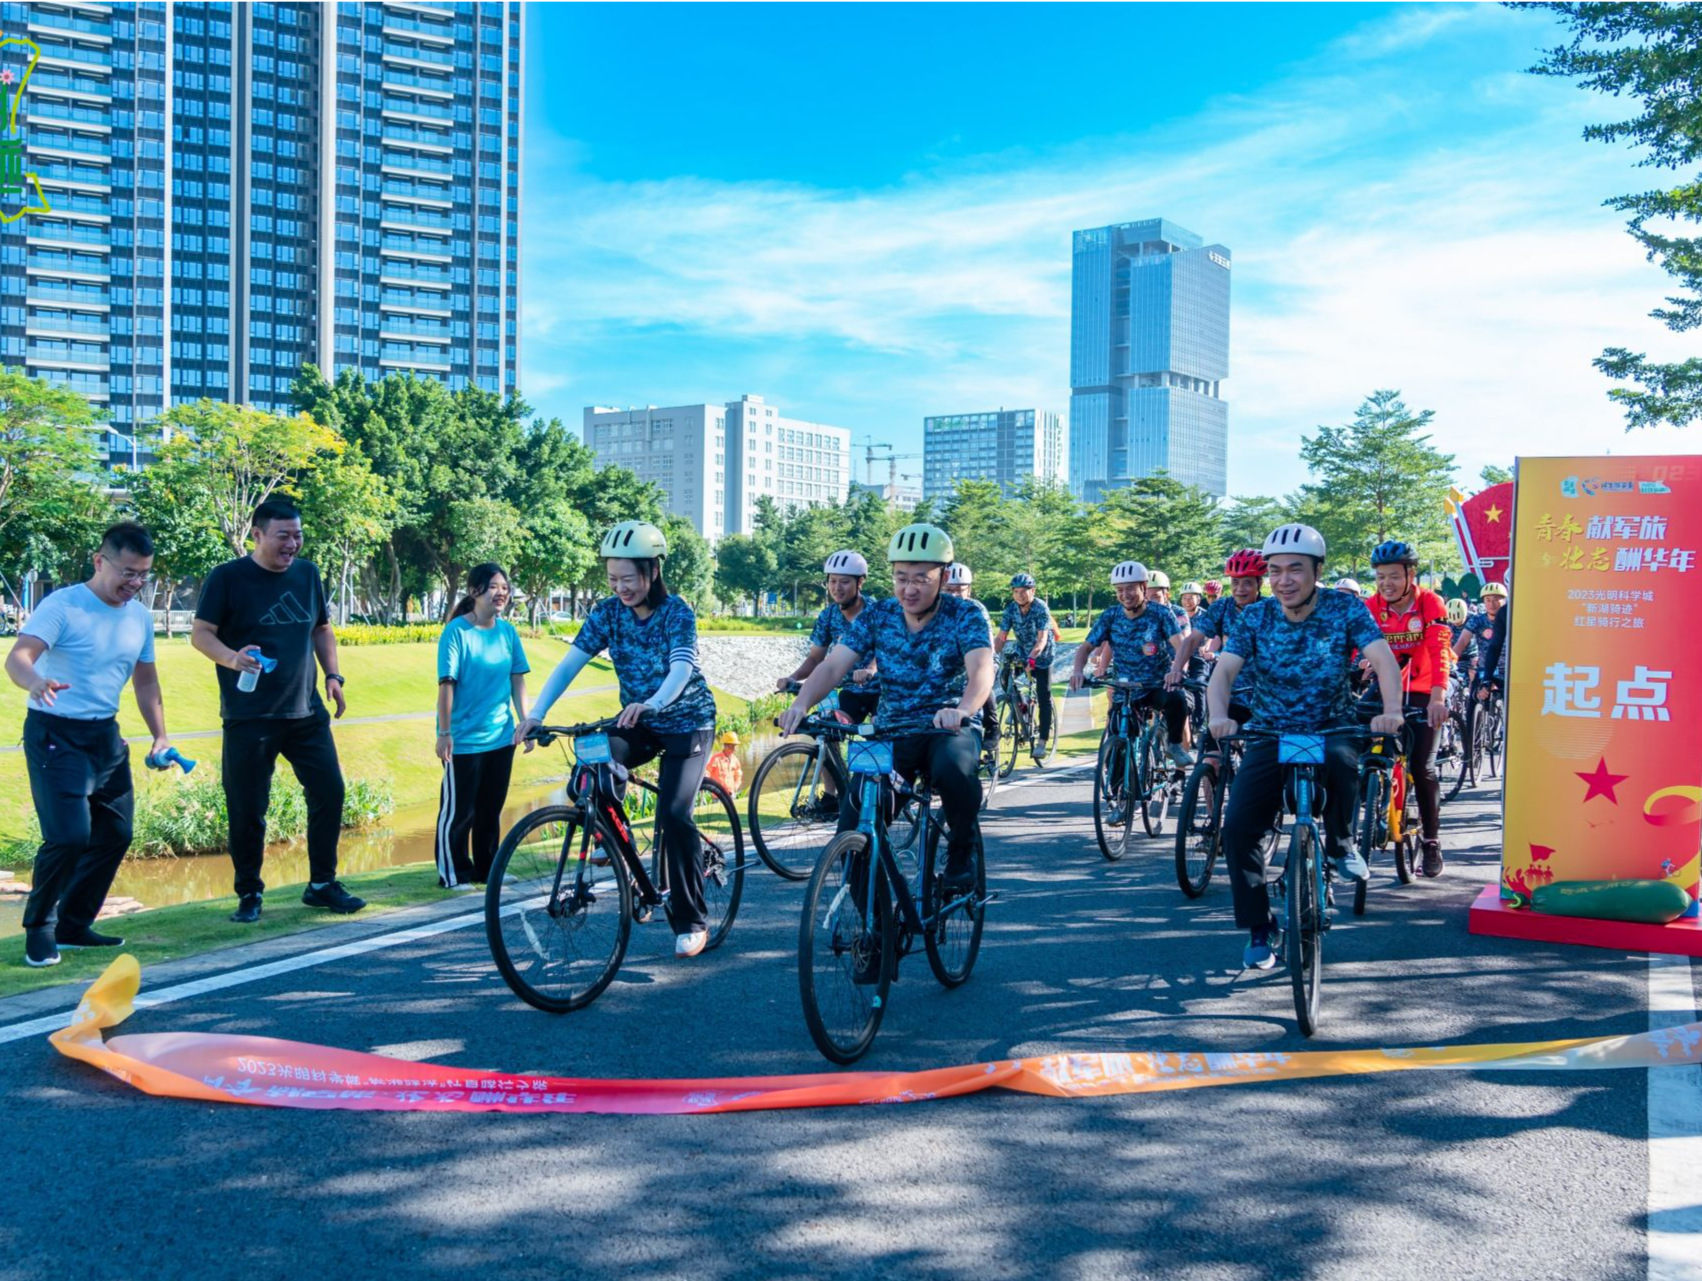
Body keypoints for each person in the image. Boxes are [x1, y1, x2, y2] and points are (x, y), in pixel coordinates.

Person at [516, 521, 720, 958]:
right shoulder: (608, 613)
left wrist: (653, 703)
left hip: (687, 720)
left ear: (653, 572)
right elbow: (570, 664)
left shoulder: (677, 612)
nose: (620, 587)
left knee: (673, 811)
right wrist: (536, 714)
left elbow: (681, 669)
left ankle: (692, 921)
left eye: (628, 578)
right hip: (638, 719)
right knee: (589, 767)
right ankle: (619, 849)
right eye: (612, 579)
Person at [1206, 524, 1404, 970]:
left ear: (1318, 571)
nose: (1283, 580)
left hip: (1330, 726)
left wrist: (1389, 709)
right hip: (1271, 732)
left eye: (1295, 569)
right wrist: (1219, 716)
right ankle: (1261, 926)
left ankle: (1339, 842)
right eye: (1275, 571)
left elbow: (1383, 660)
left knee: (1342, 760)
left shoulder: (1345, 608)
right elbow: (1223, 674)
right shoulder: (1254, 617)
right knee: (1238, 826)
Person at [778, 522, 991, 894]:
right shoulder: (878, 616)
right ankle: (877, 933)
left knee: (954, 769)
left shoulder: (966, 614)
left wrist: (963, 709)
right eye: (900, 578)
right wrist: (800, 703)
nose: (909, 589)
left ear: (942, 577)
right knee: (854, 826)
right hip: (891, 733)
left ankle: (961, 851)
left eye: (921, 579)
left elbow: (981, 670)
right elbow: (832, 665)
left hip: (946, 726)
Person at [6, 523, 175, 968]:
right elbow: (18, 656)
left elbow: (146, 680)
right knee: (68, 836)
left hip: (105, 736)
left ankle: (74, 925)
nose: (135, 584)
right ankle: (40, 929)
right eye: (127, 572)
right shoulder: (63, 605)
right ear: (100, 561)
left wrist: (160, 735)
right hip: (55, 734)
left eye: (143, 575)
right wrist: (37, 681)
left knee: (116, 832)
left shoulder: (138, 617)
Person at [192, 499, 364, 923]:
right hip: (250, 716)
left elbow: (321, 626)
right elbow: (201, 634)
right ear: (258, 535)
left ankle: (322, 884)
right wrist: (232, 659)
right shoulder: (227, 578)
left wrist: (333, 676)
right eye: (283, 535)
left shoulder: (307, 574)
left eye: (298, 535)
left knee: (329, 791)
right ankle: (249, 893)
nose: (293, 544)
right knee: (248, 808)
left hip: (305, 712)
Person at [434, 563, 529, 890]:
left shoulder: (508, 632)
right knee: (460, 812)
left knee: (490, 810)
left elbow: (517, 680)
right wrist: (444, 733)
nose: (501, 592)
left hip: (501, 738)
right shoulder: (456, 632)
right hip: (463, 740)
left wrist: (525, 721)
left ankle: (488, 870)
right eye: (493, 586)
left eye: (504, 586)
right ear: (474, 591)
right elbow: (446, 685)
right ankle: (454, 873)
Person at [1363, 541, 1451, 877]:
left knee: (1422, 767)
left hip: (1426, 688)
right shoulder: (1372, 605)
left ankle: (1430, 841)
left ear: (1410, 575)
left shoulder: (1429, 601)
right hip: (1389, 684)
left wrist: (1438, 698)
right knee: (1350, 735)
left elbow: (1440, 649)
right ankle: (1370, 789)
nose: (1386, 583)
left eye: (1394, 576)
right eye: (1381, 576)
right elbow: (1358, 643)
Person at [1069, 561, 1190, 768]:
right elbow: (1085, 648)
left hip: (1155, 685)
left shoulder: (1161, 614)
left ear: (1143, 587)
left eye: (1131, 588)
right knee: (1116, 752)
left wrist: (1177, 671)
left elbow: (1180, 646)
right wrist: (1078, 671)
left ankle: (1175, 745)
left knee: (1177, 699)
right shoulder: (1111, 616)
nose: (1125, 594)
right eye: (1119, 590)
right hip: (1124, 689)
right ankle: (1119, 792)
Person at [1174, 549, 1265, 766]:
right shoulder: (1221, 607)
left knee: (1258, 760)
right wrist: (1177, 668)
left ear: (1259, 583)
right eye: (1235, 582)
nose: (1240, 589)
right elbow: (1192, 640)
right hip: (1229, 693)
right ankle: (1213, 790)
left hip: (1264, 697)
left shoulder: (1270, 608)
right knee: (1210, 760)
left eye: (1247, 583)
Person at [994, 573, 1055, 762]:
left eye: (1024, 591)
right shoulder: (1011, 610)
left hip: (1042, 655)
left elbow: (1042, 638)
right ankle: (1020, 705)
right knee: (1004, 676)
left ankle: (1042, 742)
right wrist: (992, 656)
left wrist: (1032, 658)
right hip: (1021, 650)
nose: (1020, 595)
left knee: (1043, 695)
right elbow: (1002, 636)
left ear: (1033, 591)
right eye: (1016, 591)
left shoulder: (1040, 608)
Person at [944, 562, 999, 750]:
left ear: (969, 589)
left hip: (981, 656)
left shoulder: (975, 609)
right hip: (950, 662)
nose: (954, 594)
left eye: (959, 590)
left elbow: (988, 644)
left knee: (983, 675)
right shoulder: (937, 609)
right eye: (949, 589)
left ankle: (992, 725)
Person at [706, 731, 744, 796]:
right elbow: (707, 771)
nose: (733, 749)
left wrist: (736, 786)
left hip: (731, 794)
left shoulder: (735, 760)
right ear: (726, 746)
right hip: (718, 795)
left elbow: (738, 774)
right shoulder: (716, 759)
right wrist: (707, 783)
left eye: (735, 747)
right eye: (731, 747)